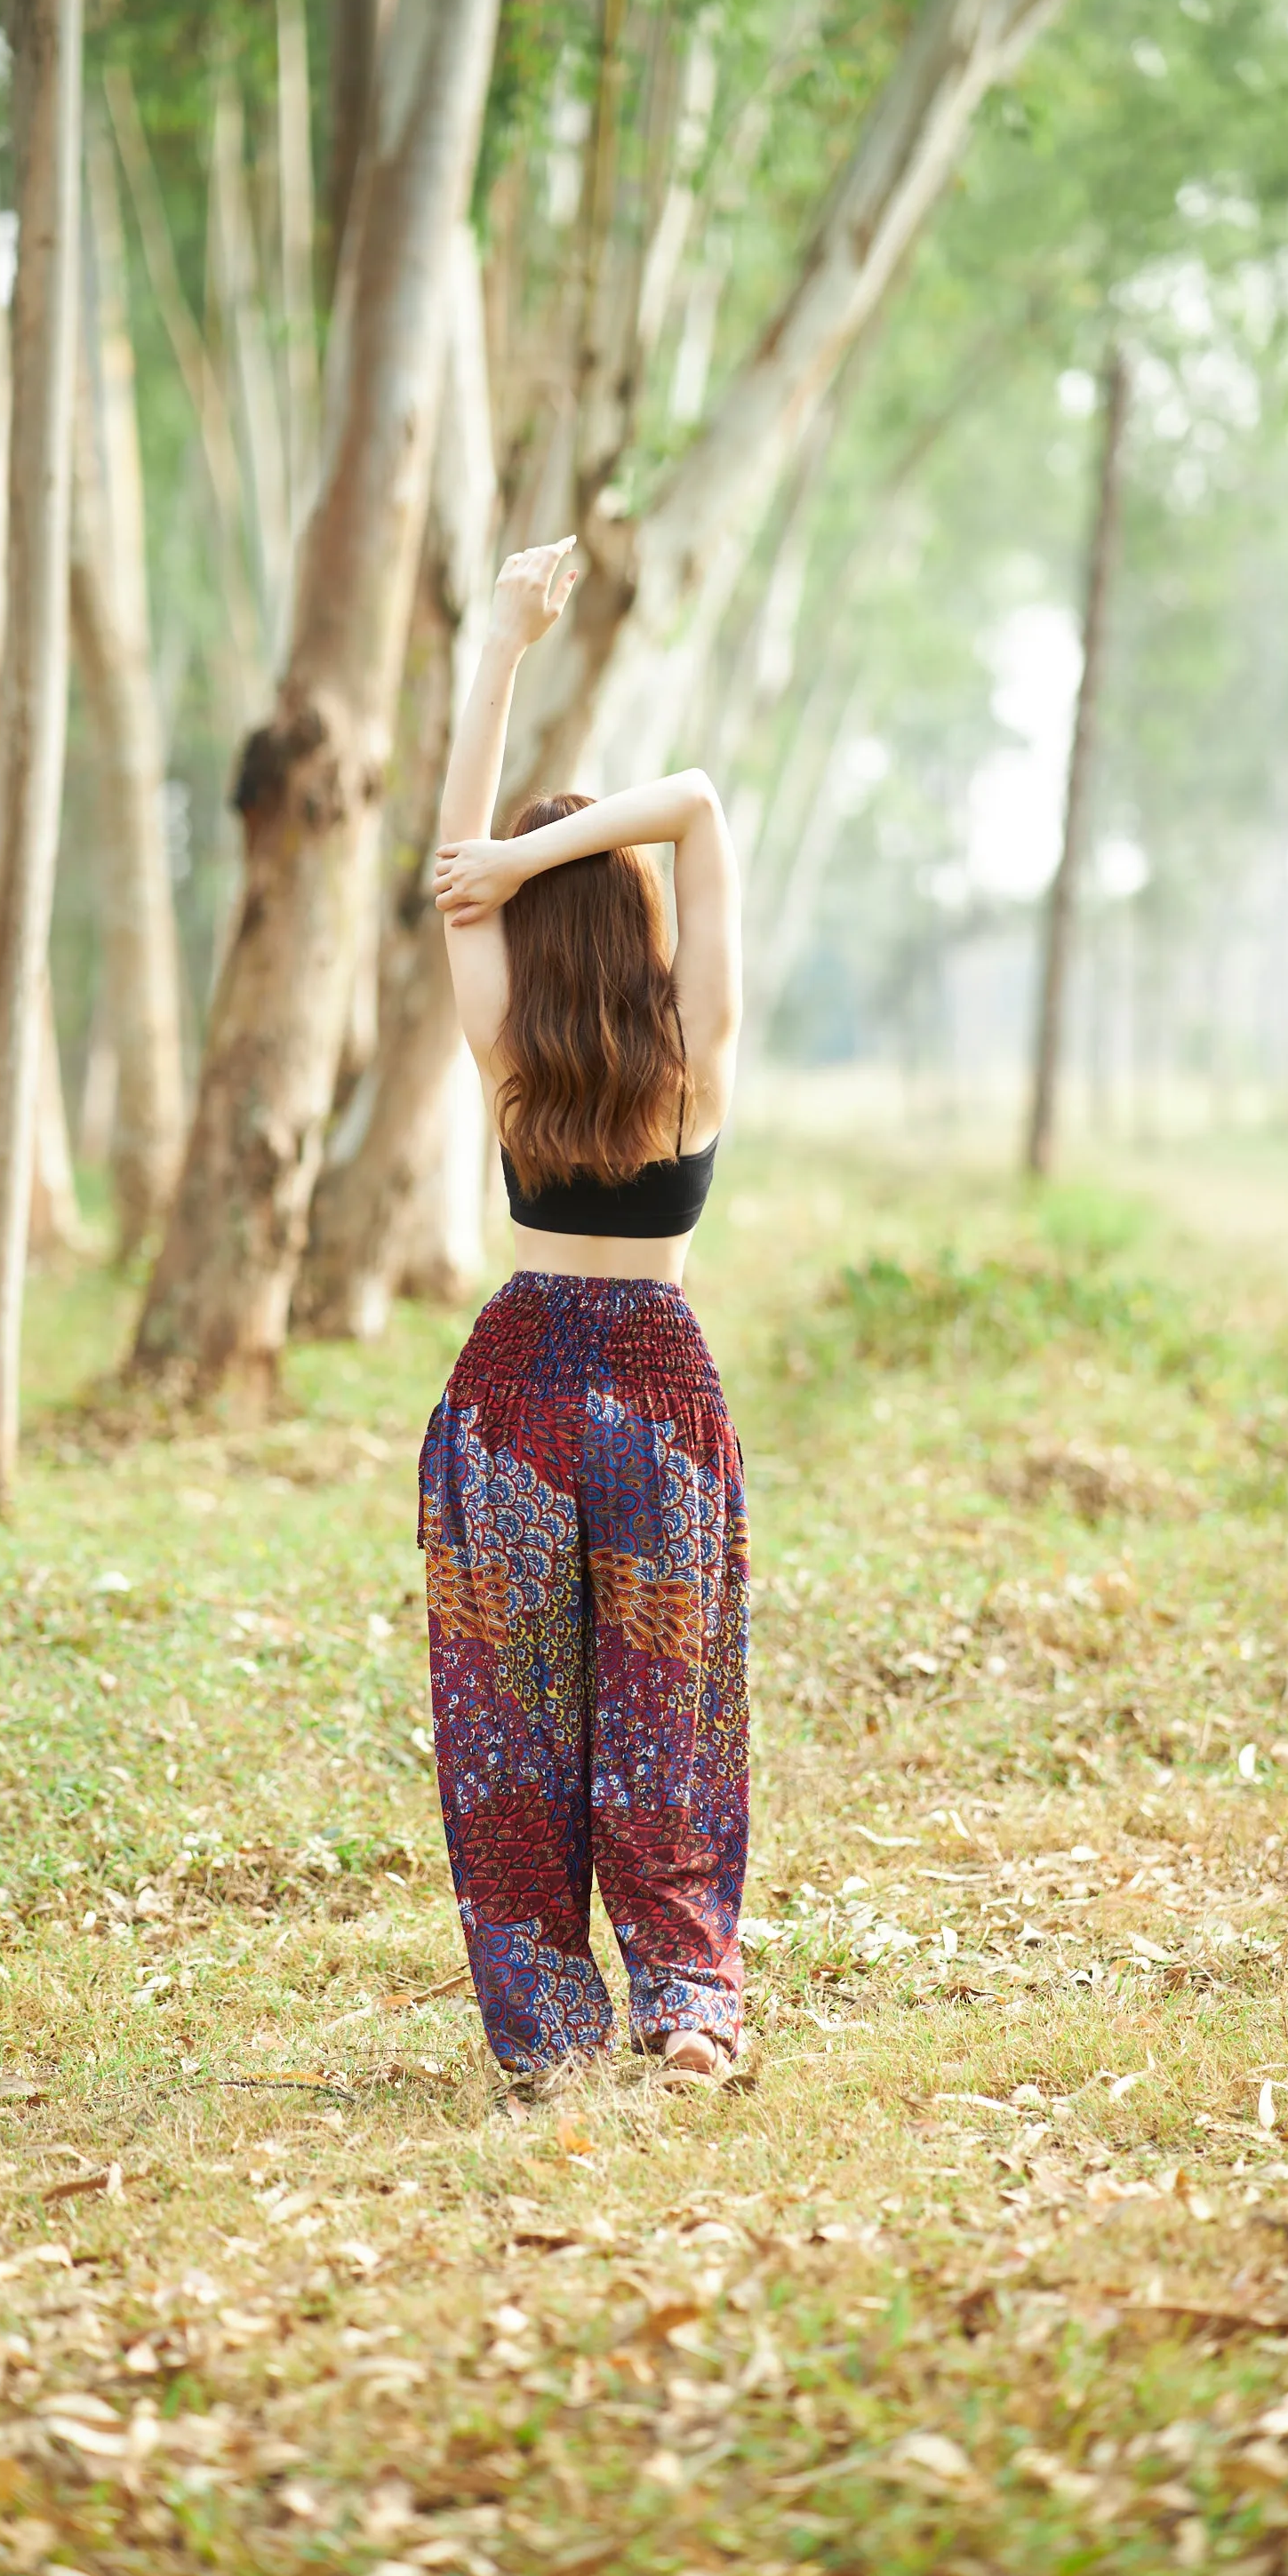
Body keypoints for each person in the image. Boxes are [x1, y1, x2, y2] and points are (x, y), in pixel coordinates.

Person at [420, 536, 748, 2084]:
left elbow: (455, 872)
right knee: (664, 1717)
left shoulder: (506, 1051)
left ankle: (552, 2032)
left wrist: (503, 647)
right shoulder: (693, 1043)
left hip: (516, 1389)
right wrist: (555, 851)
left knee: (510, 1736)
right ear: (630, 918)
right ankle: (686, 2008)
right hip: (656, 1388)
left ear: (528, 927)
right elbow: (694, 802)